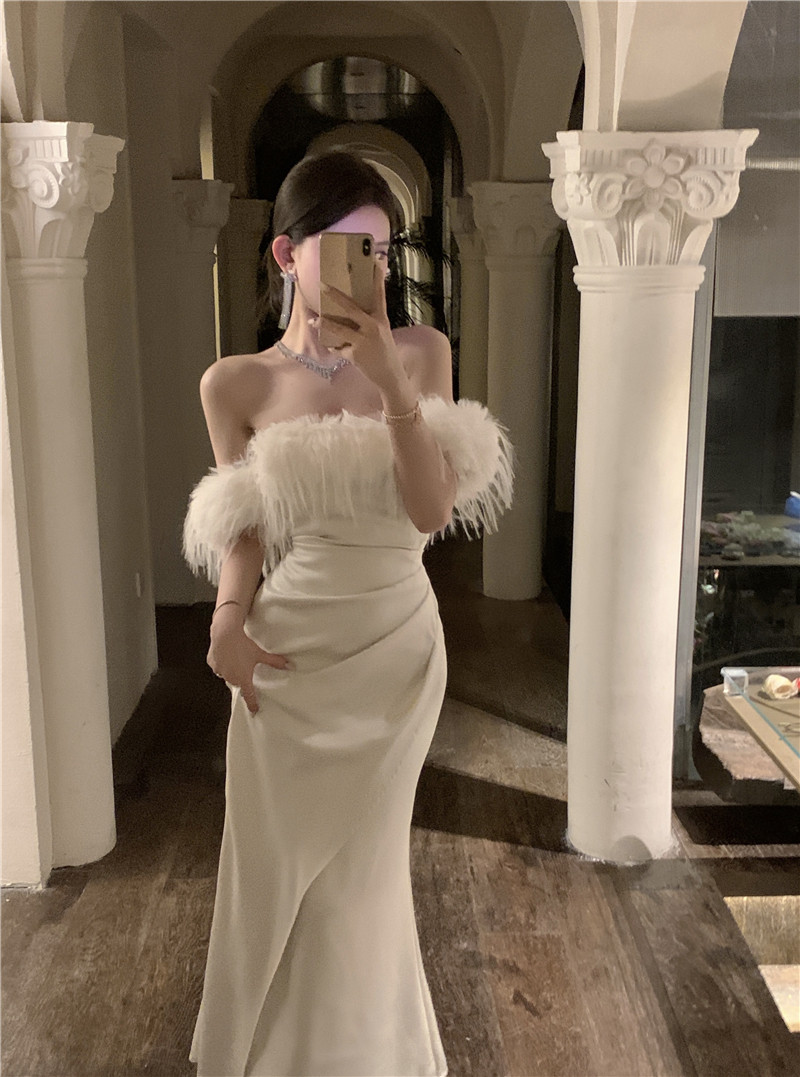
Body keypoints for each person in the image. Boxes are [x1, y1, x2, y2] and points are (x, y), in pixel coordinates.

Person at [182, 150, 515, 1077]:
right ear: (287, 254)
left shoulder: (422, 353)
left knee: (360, 882)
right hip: (286, 658)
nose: (368, 268)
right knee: (275, 872)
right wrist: (226, 620)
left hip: (393, 650)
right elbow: (245, 525)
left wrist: (392, 385)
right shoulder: (235, 383)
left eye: (380, 249)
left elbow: (430, 511)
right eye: (344, 247)